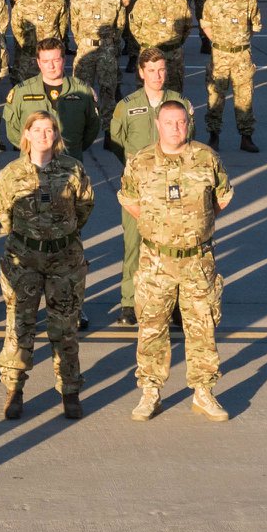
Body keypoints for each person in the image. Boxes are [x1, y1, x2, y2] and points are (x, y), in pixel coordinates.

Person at [118, 99, 233, 422]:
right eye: (170, 123)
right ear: (158, 125)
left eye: (182, 122)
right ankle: (150, 392)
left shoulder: (205, 158)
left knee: (202, 327)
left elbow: (221, 198)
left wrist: (196, 227)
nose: (176, 129)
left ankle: (203, 392)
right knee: (152, 327)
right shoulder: (141, 162)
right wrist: (159, 229)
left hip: (198, 260)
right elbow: (129, 200)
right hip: (157, 260)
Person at [0, 109, 95, 421]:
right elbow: (3, 211)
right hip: (24, 259)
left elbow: (85, 205)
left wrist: (63, 234)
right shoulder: (12, 173)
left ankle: (70, 391)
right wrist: (29, 238)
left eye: (49, 129)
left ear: (57, 135)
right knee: (19, 327)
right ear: (26, 135)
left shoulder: (72, 169)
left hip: (64, 259)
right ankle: (15, 389)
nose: (43, 135)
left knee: (64, 328)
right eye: (37, 129)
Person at [105, 50, 192, 326]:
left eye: (162, 70)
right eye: (152, 70)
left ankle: (175, 304)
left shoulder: (180, 104)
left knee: (175, 248)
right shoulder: (127, 106)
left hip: (173, 188)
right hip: (139, 189)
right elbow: (116, 141)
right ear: (141, 72)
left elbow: (189, 140)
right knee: (134, 245)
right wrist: (136, 168)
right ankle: (129, 303)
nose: (158, 76)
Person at [201, 0, 262, 153]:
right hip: (220, 56)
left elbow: (254, 26)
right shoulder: (213, 1)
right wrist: (220, 43)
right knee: (215, 97)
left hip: (242, 56)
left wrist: (240, 42)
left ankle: (246, 137)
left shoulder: (249, 0)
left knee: (244, 98)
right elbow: (206, 25)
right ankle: (213, 136)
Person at [4, 45, 101, 159]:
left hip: (70, 163)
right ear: (39, 63)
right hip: (33, 165)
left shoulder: (82, 91)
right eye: (45, 61)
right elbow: (13, 132)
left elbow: (92, 128)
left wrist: (72, 148)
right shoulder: (21, 92)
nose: (51, 66)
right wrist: (35, 147)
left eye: (56, 60)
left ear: (64, 61)